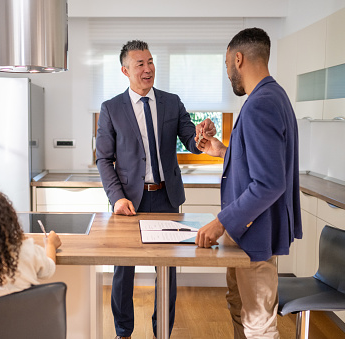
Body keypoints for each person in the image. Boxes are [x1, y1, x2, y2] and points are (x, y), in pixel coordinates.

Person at [96, 40, 216, 339]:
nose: (148, 68)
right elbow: (103, 158)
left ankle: (162, 330)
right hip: (129, 202)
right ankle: (123, 331)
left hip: (166, 197)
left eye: (151, 62)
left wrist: (202, 136)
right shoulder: (111, 108)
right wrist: (116, 197)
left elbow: (192, 141)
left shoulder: (171, 102)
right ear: (125, 70)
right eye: (140, 64)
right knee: (123, 271)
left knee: (168, 271)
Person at [195, 27, 302, 339]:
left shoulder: (260, 104)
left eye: (227, 64)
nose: (228, 72)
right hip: (251, 232)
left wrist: (220, 222)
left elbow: (269, 183)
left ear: (238, 59)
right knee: (239, 304)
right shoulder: (273, 96)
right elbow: (263, 164)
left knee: (259, 326)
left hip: (256, 234)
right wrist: (222, 152)